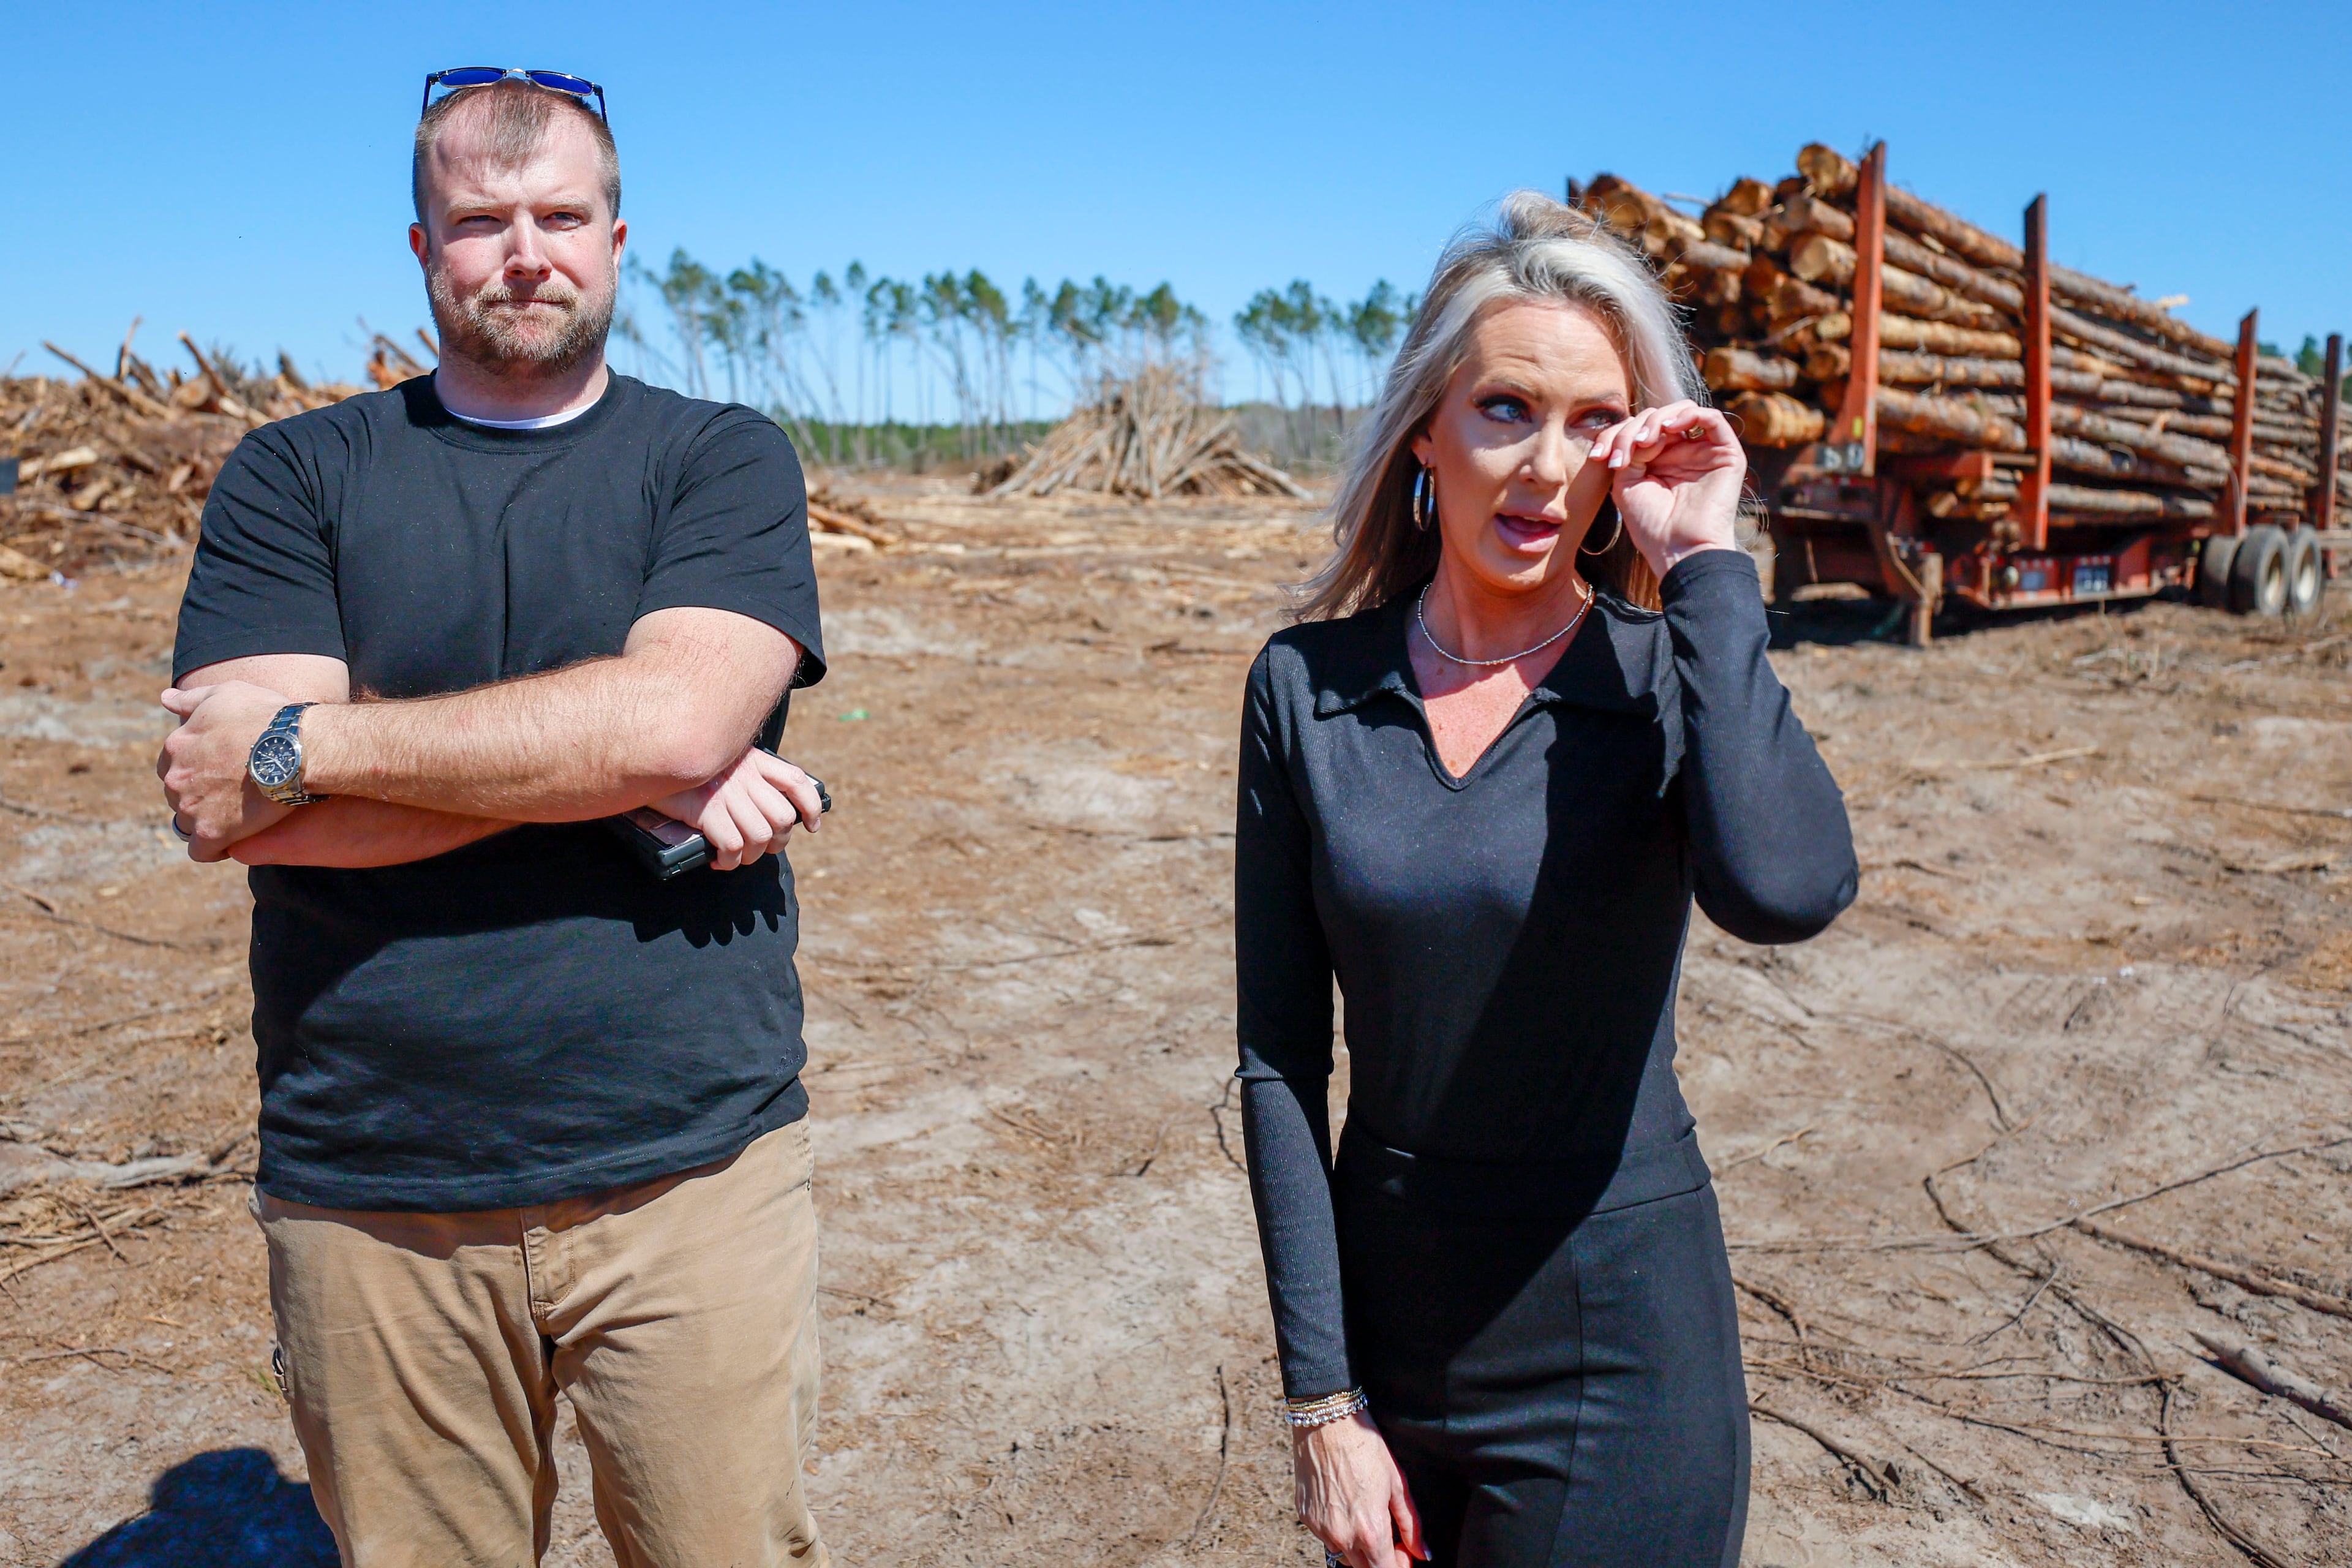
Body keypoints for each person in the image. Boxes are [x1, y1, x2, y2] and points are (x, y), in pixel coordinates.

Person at [156, 72, 833, 1567]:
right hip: (373, 1195)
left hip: (692, 1174)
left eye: (559, 215)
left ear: (616, 234)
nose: (524, 251)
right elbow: (236, 805)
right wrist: (628, 779)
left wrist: (331, 745)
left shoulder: (718, 458)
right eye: (480, 220)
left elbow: (671, 719)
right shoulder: (296, 474)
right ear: (421, 247)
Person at [1233, 193, 1857, 1568]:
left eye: (1595, 423)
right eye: (1506, 409)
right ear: (1425, 432)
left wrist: (1705, 561)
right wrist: (1322, 1399)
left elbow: (1789, 886)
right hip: (1391, 1341)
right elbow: (1280, 1058)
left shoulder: (1661, 675)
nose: (1546, 468)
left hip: (1618, 1349)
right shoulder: (1306, 689)